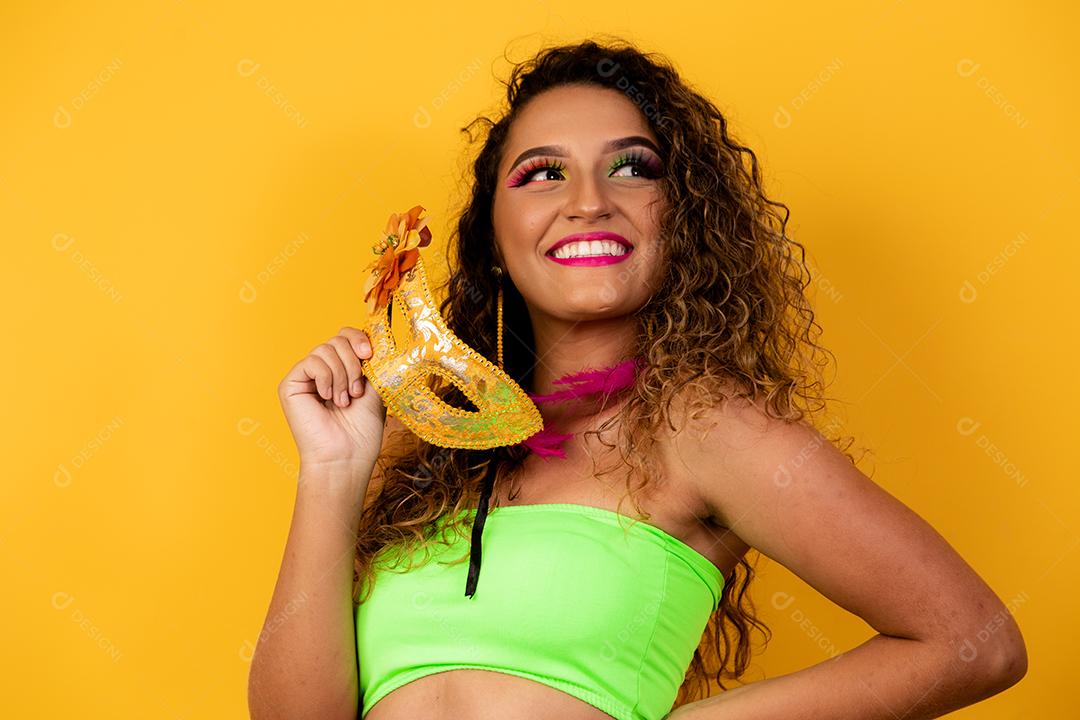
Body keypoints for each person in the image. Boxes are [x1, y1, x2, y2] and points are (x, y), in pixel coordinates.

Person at [248, 37, 1027, 720]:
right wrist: (331, 470)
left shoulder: (703, 428)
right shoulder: (426, 449)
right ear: (492, 233)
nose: (588, 202)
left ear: (681, 220)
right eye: (542, 175)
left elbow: (973, 642)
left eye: (632, 169)